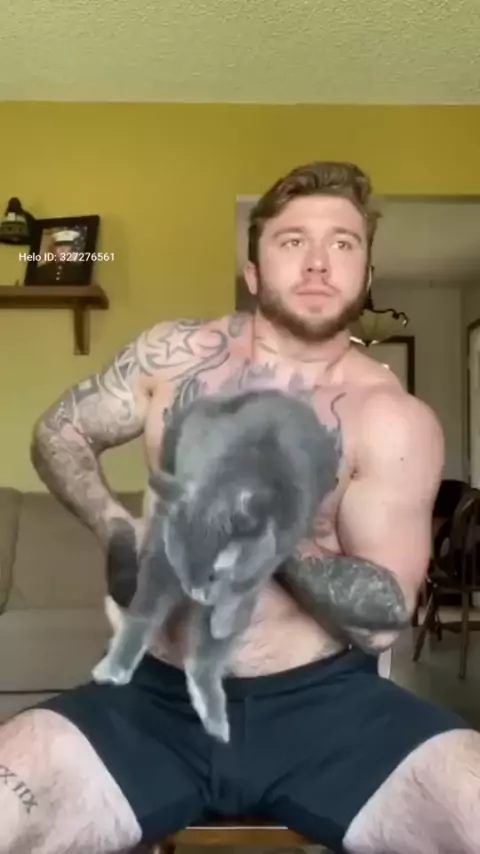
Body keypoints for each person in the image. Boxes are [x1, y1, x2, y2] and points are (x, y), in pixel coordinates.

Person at [0, 161, 478, 854]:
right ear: (253, 271)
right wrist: (116, 526)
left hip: (328, 712)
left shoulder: (391, 418)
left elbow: (382, 619)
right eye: (293, 240)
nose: (319, 261)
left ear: (366, 273)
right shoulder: (172, 358)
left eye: (343, 243)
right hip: (151, 704)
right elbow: (59, 433)